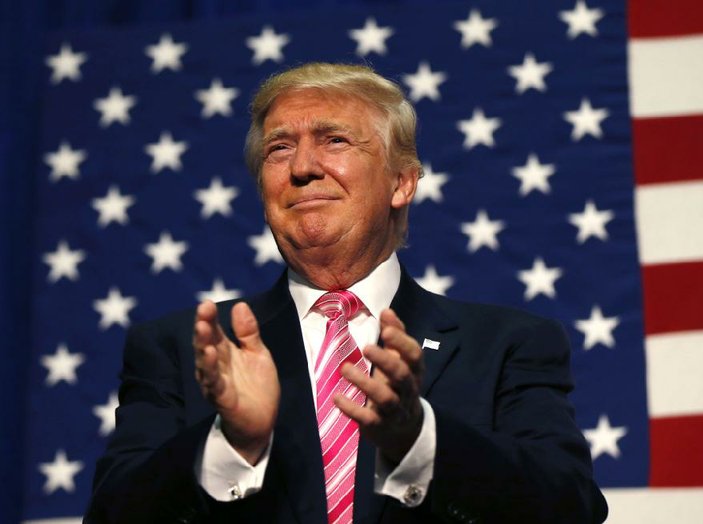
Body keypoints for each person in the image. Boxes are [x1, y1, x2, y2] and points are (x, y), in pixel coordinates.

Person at [86, 62, 608, 524]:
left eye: (335, 140)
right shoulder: (186, 348)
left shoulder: (508, 344)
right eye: (279, 148)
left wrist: (417, 441)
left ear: (402, 183)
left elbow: (570, 508)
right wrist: (232, 442)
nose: (303, 166)